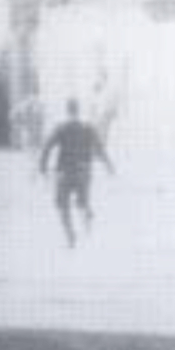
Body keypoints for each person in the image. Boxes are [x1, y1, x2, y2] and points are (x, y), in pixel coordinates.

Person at [40, 98, 114, 248]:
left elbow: (47, 147)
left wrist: (43, 169)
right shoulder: (88, 127)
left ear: (67, 110)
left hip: (64, 173)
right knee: (83, 203)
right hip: (83, 172)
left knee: (62, 205)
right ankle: (88, 225)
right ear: (78, 110)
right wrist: (109, 166)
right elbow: (100, 148)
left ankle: (70, 235)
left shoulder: (61, 127)